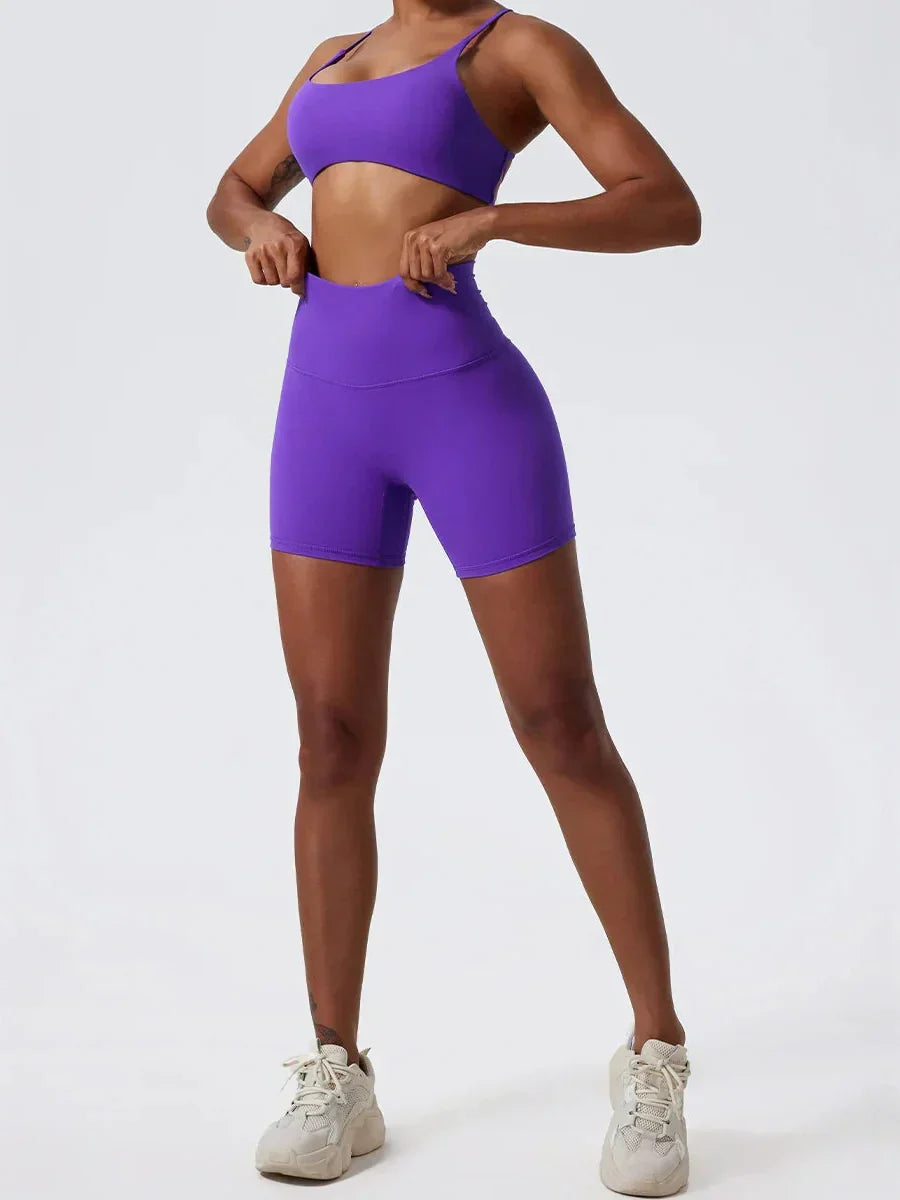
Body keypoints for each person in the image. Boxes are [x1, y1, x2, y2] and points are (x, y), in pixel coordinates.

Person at [207, 3, 700, 1193]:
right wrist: (259, 227)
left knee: (559, 721)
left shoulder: (516, 48)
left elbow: (667, 205)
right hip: (324, 413)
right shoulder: (330, 60)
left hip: (466, 405)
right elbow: (233, 188)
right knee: (330, 738)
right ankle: (338, 1070)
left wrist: (495, 220)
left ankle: (656, 1055)